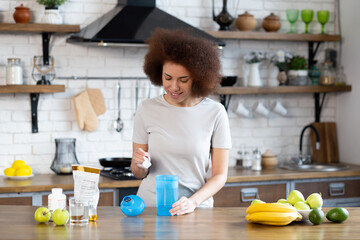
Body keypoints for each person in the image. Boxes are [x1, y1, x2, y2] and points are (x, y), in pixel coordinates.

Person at [131, 28, 231, 216]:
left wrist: (192, 203)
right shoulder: (147, 109)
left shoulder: (216, 112)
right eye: (167, 78)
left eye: (183, 80)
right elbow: (138, 173)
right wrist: (139, 164)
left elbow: (219, 176)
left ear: (198, 78)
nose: (173, 87)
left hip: (196, 209)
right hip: (152, 208)